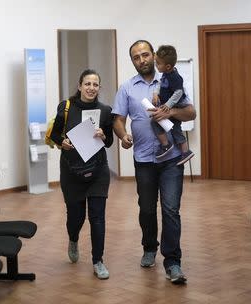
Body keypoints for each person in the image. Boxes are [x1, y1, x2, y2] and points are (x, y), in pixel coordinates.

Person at [112, 40, 196, 284]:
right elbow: (118, 119)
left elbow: (191, 113)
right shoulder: (127, 88)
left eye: (145, 54)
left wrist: (170, 112)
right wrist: (123, 135)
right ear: (133, 62)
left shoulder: (169, 79)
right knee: (147, 209)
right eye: (136, 57)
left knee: (170, 209)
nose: (142, 60)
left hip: (171, 160)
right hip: (144, 159)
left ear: (154, 55)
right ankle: (149, 247)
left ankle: (173, 262)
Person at [50, 69, 114, 280]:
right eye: (87, 84)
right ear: (79, 86)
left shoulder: (105, 110)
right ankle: (73, 238)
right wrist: (63, 143)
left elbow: (110, 142)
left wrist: (103, 135)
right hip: (72, 171)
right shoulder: (67, 107)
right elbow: (54, 134)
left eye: (95, 85)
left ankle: (98, 261)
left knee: (97, 217)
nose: (91, 88)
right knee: (75, 218)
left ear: (99, 88)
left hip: (98, 170)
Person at [151, 45, 194, 165]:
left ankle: (167, 146)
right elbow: (161, 83)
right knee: (173, 127)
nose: (156, 65)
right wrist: (156, 93)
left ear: (168, 66)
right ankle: (183, 150)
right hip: (168, 105)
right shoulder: (165, 73)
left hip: (178, 105)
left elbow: (179, 92)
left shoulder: (175, 77)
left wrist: (169, 106)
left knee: (162, 123)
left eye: (158, 63)